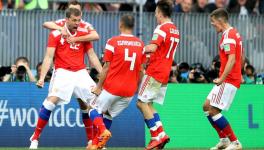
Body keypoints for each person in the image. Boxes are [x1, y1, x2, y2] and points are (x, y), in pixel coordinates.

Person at [29, 8, 102, 149]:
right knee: (51, 101)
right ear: (66, 19)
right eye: (74, 20)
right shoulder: (56, 34)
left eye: (79, 20)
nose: (77, 23)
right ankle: (35, 137)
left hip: (80, 72)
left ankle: (92, 141)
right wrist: (42, 77)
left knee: (93, 103)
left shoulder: (83, 34)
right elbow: (49, 57)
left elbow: (92, 55)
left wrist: (104, 75)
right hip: (62, 71)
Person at [86, 14, 145, 150]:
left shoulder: (113, 42)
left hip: (112, 88)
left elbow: (106, 67)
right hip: (129, 92)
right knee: (108, 115)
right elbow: (141, 70)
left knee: (91, 110)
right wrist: (139, 89)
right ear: (133, 26)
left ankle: (103, 131)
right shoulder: (141, 44)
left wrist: (99, 87)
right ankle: (96, 145)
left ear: (120, 25)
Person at [136, 1, 180, 149]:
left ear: (161, 13)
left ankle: (155, 136)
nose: (155, 15)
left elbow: (153, 47)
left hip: (155, 71)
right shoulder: (175, 30)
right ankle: (161, 133)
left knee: (141, 103)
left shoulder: (161, 28)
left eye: (156, 12)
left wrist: (140, 49)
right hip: (165, 73)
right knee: (149, 104)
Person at [202, 8, 244, 150]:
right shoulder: (234, 33)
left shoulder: (228, 36)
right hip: (231, 77)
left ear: (220, 20)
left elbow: (232, 59)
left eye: (213, 22)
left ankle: (235, 142)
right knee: (206, 106)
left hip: (228, 79)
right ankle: (224, 140)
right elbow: (241, 56)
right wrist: (242, 73)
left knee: (213, 110)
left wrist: (222, 78)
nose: (212, 25)